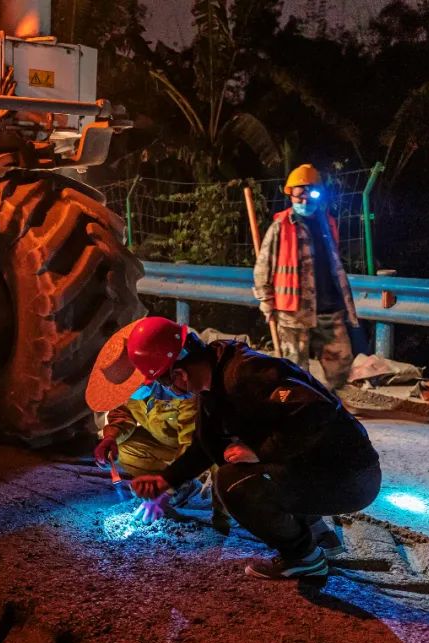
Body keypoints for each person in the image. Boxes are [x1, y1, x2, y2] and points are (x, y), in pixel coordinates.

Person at [127, 329, 381, 579]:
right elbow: (206, 446)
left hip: (351, 475)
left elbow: (316, 414)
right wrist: (166, 480)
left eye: (163, 381)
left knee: (234, 482)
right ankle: (311, 528)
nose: (168, 389)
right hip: (319, 465)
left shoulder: (245, 374)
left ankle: (304, 557)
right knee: (233, 464)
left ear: (179, 374)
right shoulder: (214, 380)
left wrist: (260, 451)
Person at [86, 317, 221, 525]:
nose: (130, 395)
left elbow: (192, 442)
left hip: (201, 449)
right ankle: (177, 481)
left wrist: (167, 489)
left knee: (218, 467)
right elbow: (122, 414)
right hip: (167, 445)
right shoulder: (133, 393)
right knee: (125, 449)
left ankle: (196, 488)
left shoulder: (183, 388)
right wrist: (110, 438)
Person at [253, 164, 359, 390]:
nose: (303, 200)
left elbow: (334, 262)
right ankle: (289, 406)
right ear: (290, 195)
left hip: (329, 306)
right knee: (294, 368)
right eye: (298, 195)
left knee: (340, 360)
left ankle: (331, 401)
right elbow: (263, 267)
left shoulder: (328, 223)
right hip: (293, 310)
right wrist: (265, 300)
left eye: (309, 194)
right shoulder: (280, 226)